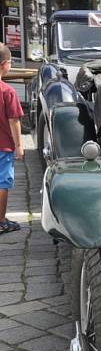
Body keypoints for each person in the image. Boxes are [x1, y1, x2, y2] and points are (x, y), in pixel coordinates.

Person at [0, 43, 23, 234]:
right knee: (2, 183)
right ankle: (0, 221)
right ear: (5, 64)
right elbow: (14, 121)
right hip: (3, 146)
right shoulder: (8, 92)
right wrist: (19, 146)